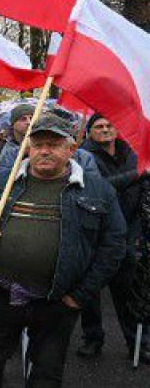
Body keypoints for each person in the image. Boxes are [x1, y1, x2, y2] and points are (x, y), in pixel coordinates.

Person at [0, 114, 125, 388]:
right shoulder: (2, 182)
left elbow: (113, 245)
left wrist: (82, 294)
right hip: (1, 292)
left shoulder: (97, 189)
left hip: (57, 299)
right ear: (28, 146)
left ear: (71, 148)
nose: (45, 151)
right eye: (39, 144)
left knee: (47, 364)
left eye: (54, 144)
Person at [76, 114, 149, 361]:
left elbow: (142, 196)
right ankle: (93, 338)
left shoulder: (132, 153)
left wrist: (137, 232)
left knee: (128, 290)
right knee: (90, 290)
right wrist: (139, 174)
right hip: (94, 230)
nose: (105, 130)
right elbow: (101, 186)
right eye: (99, 127)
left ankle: (136, 342)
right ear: (89, 132)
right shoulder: (83, 155)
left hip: (127, 231)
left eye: (109, 125)